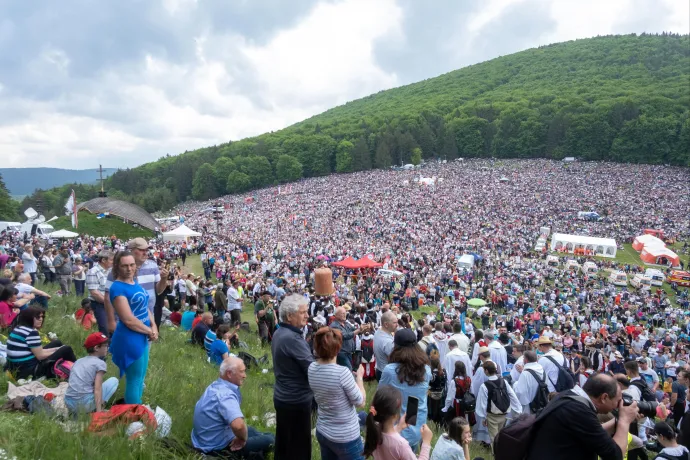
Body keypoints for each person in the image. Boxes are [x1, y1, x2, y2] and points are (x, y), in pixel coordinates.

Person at [525, 373, 640, 460]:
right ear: (604, 397)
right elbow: (615, 455)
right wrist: (624, 421)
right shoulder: (579, 411)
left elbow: (592, 433)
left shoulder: (569, 396)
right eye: (617, 401)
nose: (617, 406)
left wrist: (618, 420)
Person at [192, 357, 275, 458]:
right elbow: (238, 426)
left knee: (252, 430)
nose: (245, 376)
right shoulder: (225, 396)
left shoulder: (215, 386)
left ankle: (261, 439)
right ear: (229, 374)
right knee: (271, 440)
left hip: (204, 440)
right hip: (218, 448)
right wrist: (242, 439)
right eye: (242, 372)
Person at [308, 327, 366, 460]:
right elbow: (361, 402)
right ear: (338, 348)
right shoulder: (342, 373)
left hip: (323, 430)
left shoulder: (311, 368)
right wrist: (359, 378)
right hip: (345, 436)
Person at [108, 251, 157, 404]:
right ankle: (134, 416)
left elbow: (145, 307)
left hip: (142, 335)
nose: (129, 269)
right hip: (129, 338)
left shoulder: (133, 282)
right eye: (124, 266)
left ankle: (137, 408)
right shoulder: (117, 288)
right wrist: (149, 331)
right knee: (134, 380)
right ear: (117, 267)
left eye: (132, 265)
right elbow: (128, 319)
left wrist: (154, 325)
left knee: (140, 377)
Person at [271, 294, 314, 460]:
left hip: (283, 397)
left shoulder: (280, 331)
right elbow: (311, 369)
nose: (307, 315)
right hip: (296, 400)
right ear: (290, 316)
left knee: (284, 444)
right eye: (303, 312)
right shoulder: (293, 339)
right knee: (300, 448)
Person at [380, 328, 431, 450]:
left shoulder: (390, 370)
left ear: (396, 347)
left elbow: (380, 396)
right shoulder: (426, 370)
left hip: (395, 428)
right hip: (417, 425)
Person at [363, 385, 433, 460]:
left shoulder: (373, 432)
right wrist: (426, 442)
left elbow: (387, 437)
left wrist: (399, 427)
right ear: (395, 416)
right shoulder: (401, 445)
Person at [5, 307, 77, 379]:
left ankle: (64, 367)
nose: (41, 319)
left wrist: (58, 349)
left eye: (42, 317)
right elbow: (40, 356)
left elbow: (39, 352)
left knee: (57, 343)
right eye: (37, 317)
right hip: (30, 371)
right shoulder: (31, 332)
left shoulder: (18, 328)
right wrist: (60, 349)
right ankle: (78, 371)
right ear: (28, 318)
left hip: (15, 368)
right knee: (67, 349)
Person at [64, 332, 119, 414]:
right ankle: (98, 408)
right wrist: (99, 412)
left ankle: (77, 414)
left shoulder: (78, 361)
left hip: (69, 402)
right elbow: (97, 389)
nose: (107, 348)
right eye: (105, 346)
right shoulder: (100, 363)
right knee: (114, 380)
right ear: (96, 348)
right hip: (84, 404)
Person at [474, 360, 521, 450]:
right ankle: (502, 452)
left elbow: (482, 403)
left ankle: (497, 454)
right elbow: (512, 395)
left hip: (492, 415)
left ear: (486, 371)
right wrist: (518, 409)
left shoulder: (485, 386)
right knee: (500, 435)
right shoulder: (504, 382)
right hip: (504, 413)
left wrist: (483, 417)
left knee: (494, 437)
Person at [85, 250, 113, 335]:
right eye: (111, 260)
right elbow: (94, 293)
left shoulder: (111, 271)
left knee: (113, 328)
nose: (113, 262)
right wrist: (108, 303)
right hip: (100, 304)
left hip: (111, 304)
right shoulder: (93, 272)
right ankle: (105, 347)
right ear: (103, 260)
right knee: (105, 329)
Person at [330, 306, 361, 370]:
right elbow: (345, 336)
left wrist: (364, 328)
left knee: (349, 369)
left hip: (348, 352)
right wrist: (358, 330)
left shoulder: (346, 323)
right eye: (343, 313)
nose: (345, 315)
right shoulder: (334, 326)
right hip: (341, 353)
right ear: (336, 315)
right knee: (348, 370)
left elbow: (355, 330)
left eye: (345, 313)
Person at [374, 311, 397, 381]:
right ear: (386, 324)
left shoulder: (379, 331)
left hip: (379, 369)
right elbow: (394, 359)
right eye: (394, 323)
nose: (397, 325)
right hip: (387, 374)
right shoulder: (387, 342)